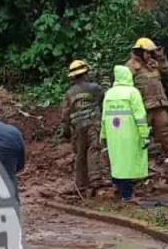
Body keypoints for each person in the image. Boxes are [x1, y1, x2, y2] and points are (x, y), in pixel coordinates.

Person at [100, 65, 149, 202]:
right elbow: (140, 116)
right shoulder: (132, 92)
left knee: (117, 162)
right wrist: (144, 134)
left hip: (113, 135)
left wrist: (103, 136)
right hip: (130, 134)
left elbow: (104, 117)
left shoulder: (109, 94)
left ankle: (119, 189)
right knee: (128, 164)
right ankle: (127, 195)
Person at [125, 37, 168, 156]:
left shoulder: (154, 62)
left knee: (166, 129)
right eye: (147, 52)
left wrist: (161, 57)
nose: (149, 55)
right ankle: (137, 157)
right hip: (142, 106)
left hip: (158, 103)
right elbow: (126, 85)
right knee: (140, 133)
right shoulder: (131, 65)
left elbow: (166, 70)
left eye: (150, 52)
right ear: (139, 51)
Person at [60, 59, 104, 197]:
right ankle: (95, 181)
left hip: (77, 128)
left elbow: (65, 114)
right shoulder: (95, 88)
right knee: (94, 149)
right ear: (86, 73)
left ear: (72, 76)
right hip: (93, 124)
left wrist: (66, 131)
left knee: (80, 154)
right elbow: (103, 101)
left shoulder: (69, 93)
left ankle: (81, 184)